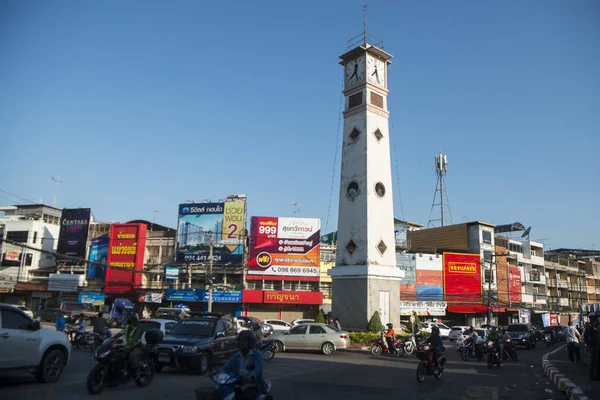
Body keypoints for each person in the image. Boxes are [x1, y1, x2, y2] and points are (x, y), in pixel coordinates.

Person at [219, 330, 266, 398]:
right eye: (239, 341)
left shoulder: (257, 354)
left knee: (245, 396)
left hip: (253, 384)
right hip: (237, 383)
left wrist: (250, 376)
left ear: (250, 342)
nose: (239, 343)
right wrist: (216, 372)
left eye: (243, 341)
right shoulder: (236, 355)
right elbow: (227, 367)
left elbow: (258, 369)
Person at [584, 312, 600, 380]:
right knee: (594, 362)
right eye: (596, 318)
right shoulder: (590, 327)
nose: (598, 319)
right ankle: (592, 376)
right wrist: (589, 345)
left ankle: (598, 376)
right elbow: (586, 337)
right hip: (594, 347)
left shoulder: (598, 326)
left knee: (598, 362)